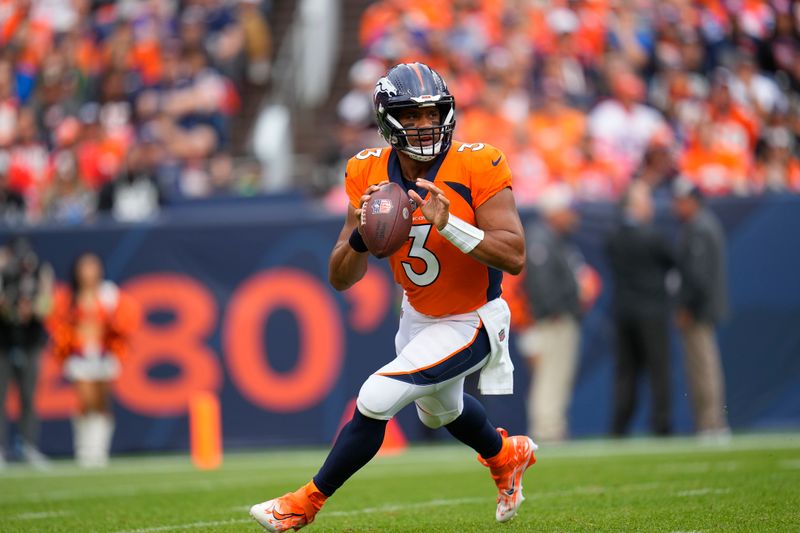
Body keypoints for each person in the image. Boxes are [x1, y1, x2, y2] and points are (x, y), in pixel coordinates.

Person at [250, 62, 536, 532]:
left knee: (377, 396)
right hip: (417, 316)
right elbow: (341, 276)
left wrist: (451, 225)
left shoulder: (478, 162)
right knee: (443, 411)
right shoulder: (366, 171)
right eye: (412, 115)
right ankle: (507, 455)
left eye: (432, 113)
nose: (426, 125)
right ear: (388, 119)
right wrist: (363, 237)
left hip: (475, 318)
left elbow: (514, 255)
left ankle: (304, 503)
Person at [46, 253, 139, 467]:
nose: (88, 272)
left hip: (104, 353)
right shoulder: (68, 297)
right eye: (85, 268)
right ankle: (84, 449)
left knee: (101, 402)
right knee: (85, 400)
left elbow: (126, 319)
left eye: (92, 267)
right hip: (79, 354)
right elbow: (56, 323)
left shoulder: (109, 295)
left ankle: (99, 449)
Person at [606, 182, 675, 437]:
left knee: (626, 372)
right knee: (659, 370)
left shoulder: (614, 237)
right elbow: (673, 262)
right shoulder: (653, 237)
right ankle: (661, 424)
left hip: (624, 311)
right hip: (652, 313)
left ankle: (619, 427)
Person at [516, 183, 582, 443]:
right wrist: (552, 309)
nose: (573, 216)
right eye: (568, 210)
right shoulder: (541, 237)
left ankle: (552, 424)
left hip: (552, 317)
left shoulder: (551, 237)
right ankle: (547, 427)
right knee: (550, 375)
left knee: (555, 375)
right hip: (549, 319)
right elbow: (540, 281)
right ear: (554, 211)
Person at [672, 178, 731, 441]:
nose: (677, 207)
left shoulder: (698, 227)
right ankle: (709, 421)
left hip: (699, 309)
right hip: (703, 307)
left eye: (681, 202)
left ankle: (712, 421)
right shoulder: (703, 224)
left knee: (704, 366)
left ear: (691, 201)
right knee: (703, 365)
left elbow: (698, 275)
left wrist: (687, 306)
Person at [0, 236, 53, 469]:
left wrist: (32, 308)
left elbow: (46, 307)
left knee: (29, 397)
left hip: (30, 342)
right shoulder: (4, 273)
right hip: (3, 341)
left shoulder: (40, 271)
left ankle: (28, 446)